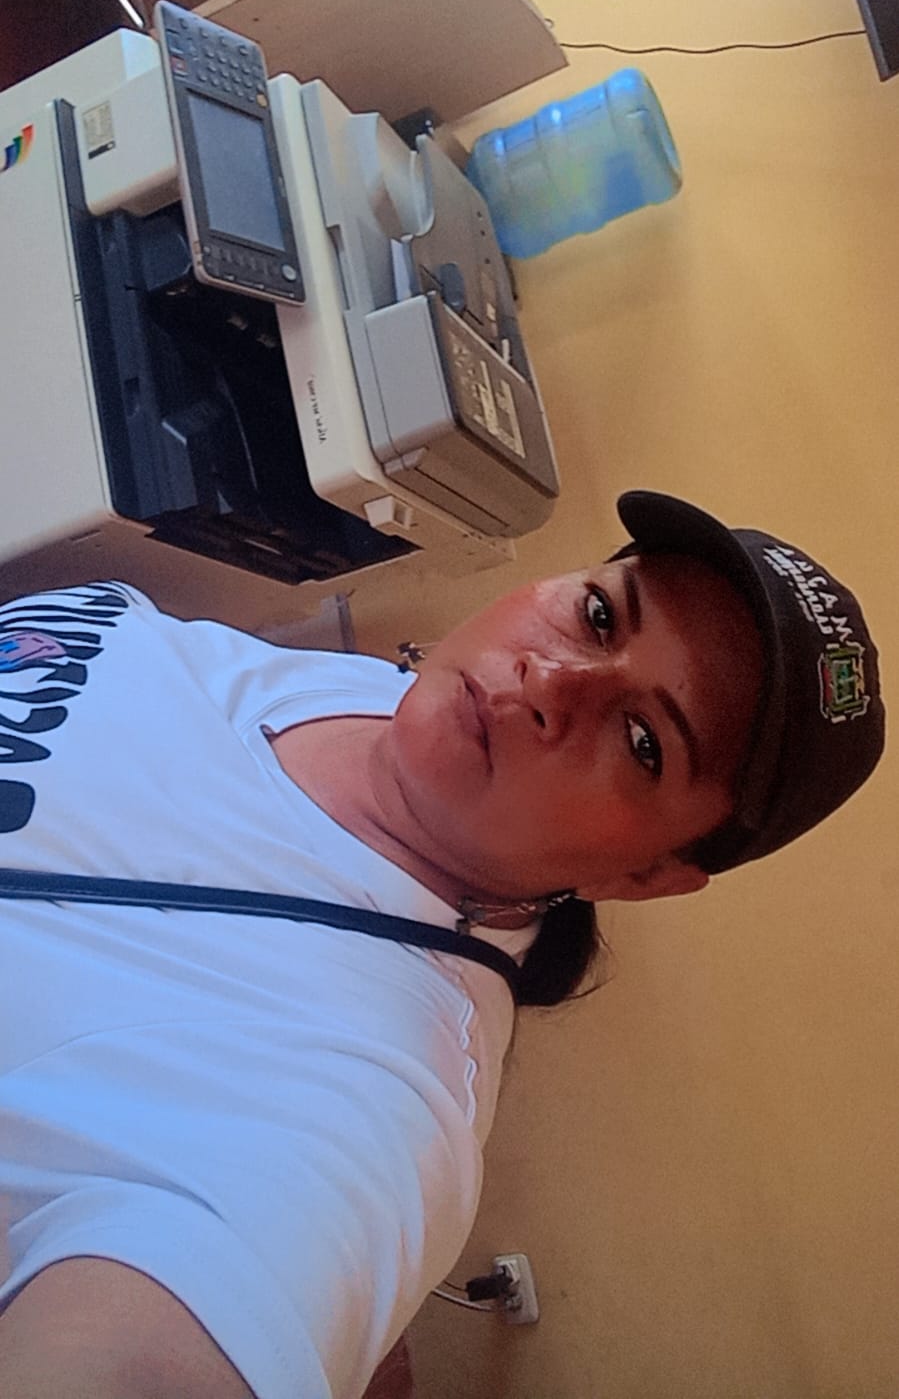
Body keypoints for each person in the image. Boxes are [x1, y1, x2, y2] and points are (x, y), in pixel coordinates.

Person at [0, 490, 885, 1399]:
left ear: (644, 877)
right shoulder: (382, 700)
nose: (549, 678)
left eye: (642, 741)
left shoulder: (358, 1107)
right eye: (598, 614)